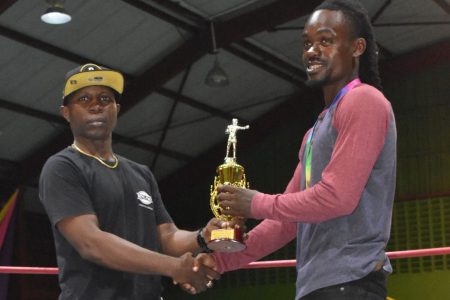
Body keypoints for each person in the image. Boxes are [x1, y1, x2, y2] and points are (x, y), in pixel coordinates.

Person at [206, 0, 397, 299]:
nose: (311, 51)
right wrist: (217, 261)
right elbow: (286, 222)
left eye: (325, 40)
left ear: (357, 47)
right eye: (307, 43)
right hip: (321, 287)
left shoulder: (365, 101)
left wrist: (255, 202)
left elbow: (338, 198)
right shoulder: (315, 131)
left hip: (350, 283)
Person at [39, 63, 220, 300]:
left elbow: (167, 237)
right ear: (66, 112)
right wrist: (173, 267)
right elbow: (91, 243)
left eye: (105, 99)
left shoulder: (141, 173)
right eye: (84, 99)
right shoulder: (62, 167)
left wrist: (204, 236)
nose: (96, 106)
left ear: (116, 109)